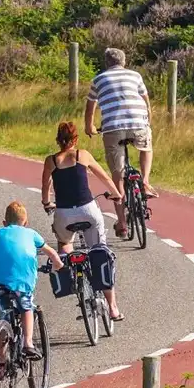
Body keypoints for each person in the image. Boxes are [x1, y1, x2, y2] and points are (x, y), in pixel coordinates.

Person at [41, 121, 124, 320]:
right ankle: (113, 308)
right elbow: (103, 176)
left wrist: (47, 203)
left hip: (63, 213)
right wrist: (116, 194)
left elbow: (45, 185)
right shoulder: (82, 155)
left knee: (65, 243)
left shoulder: (51, 161)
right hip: (88, 210)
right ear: (75, 139)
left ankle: (73, 279)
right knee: (99, 251)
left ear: (57, 141)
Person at [84, 47, 157, 239]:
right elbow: (146, 102)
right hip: (138, 124)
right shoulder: (136, 75)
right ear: (124, 62)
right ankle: (146, 182)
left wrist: (89, 127)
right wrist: (147, 120)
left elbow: (90, 106)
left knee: (117, 177)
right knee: (146, 147)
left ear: (106, 63)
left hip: (112, 128)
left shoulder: (98, 80)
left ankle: (123, 224)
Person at [0, 201, 64, 356]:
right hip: (22, 281)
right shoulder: (32, 233)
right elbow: (52, 254)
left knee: (4, 318)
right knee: (26, 308)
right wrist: (59, 266)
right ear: (26, 223)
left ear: (4, 223)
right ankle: (27, 343)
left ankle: (0, 360)